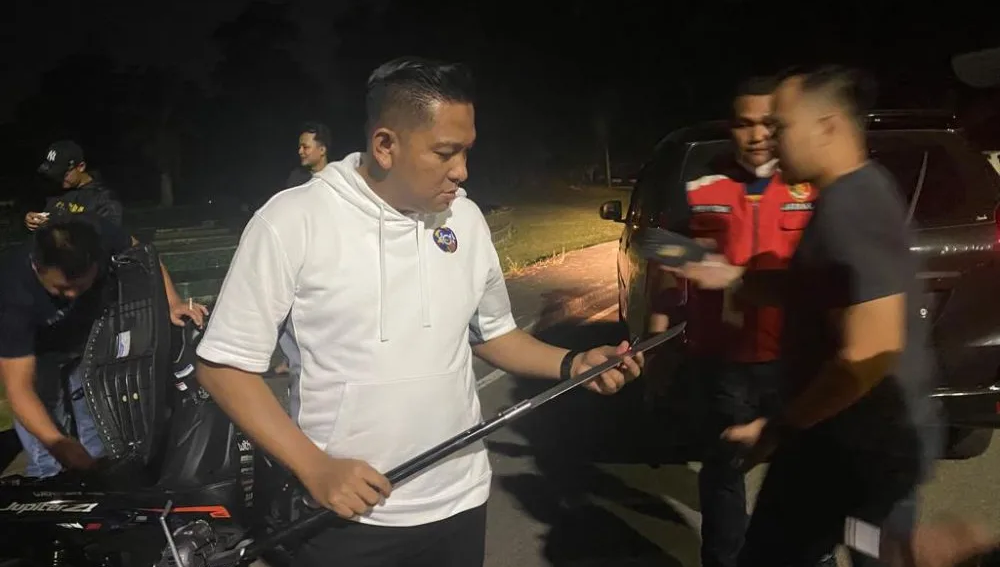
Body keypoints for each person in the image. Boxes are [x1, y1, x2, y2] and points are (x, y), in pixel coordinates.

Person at [194, 56, 644, 567]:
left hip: (462, 503)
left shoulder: (465, 219)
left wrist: (572, 363)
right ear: (385, 145)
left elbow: (493, 334)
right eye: (445, 153)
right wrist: (314, 467)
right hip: (347, 519)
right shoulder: (292, 220)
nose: (462, 171)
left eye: (467, 151)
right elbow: (223, 365)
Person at [669, 65, 942, 566]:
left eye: (782, 127)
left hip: (854, 455)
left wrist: (779, 427)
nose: (770, 139)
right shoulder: (856, 189)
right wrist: (738, 279)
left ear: (827, 127)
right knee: (867, 550)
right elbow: (819, 290)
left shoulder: (848, 209)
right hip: (852, 446)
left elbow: (868, 354)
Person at [645, 75, 817, 567]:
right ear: (730, 127)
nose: (757, 135)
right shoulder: (702, 187)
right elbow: (663, 259)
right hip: (723, 363)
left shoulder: (812, 188)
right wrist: (656, 343)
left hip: (793, 361)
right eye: (745, 124)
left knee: (803, 472)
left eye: (768, 123)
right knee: (723, 473)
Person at [0, 215, 207, 477]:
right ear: (37, 268)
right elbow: (19, 390)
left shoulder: (96, 234)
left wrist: (172, 302)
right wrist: (60, 445)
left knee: (96, 426)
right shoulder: (13, 295)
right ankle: (48, 484)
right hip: (38, 352)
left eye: (79, 285)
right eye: (61, 289)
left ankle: (99, 480)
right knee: (48, 447)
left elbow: (144, 255)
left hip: (87, 342)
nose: (71, 295)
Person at [25, 140, 123, 232]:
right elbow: (38, 211)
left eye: (63, 174)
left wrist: (60, 221)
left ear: (81, 167)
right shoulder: (55, 188)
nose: (59, 178)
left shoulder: (104, 198)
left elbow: (109, 232)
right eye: (54, 173)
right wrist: (30, 218)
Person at [286, 122, 332, 188]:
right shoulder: (295, 178)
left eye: (305, 147)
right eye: (299, 147)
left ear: (322, 150)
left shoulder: (336, 176)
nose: (300, 152)